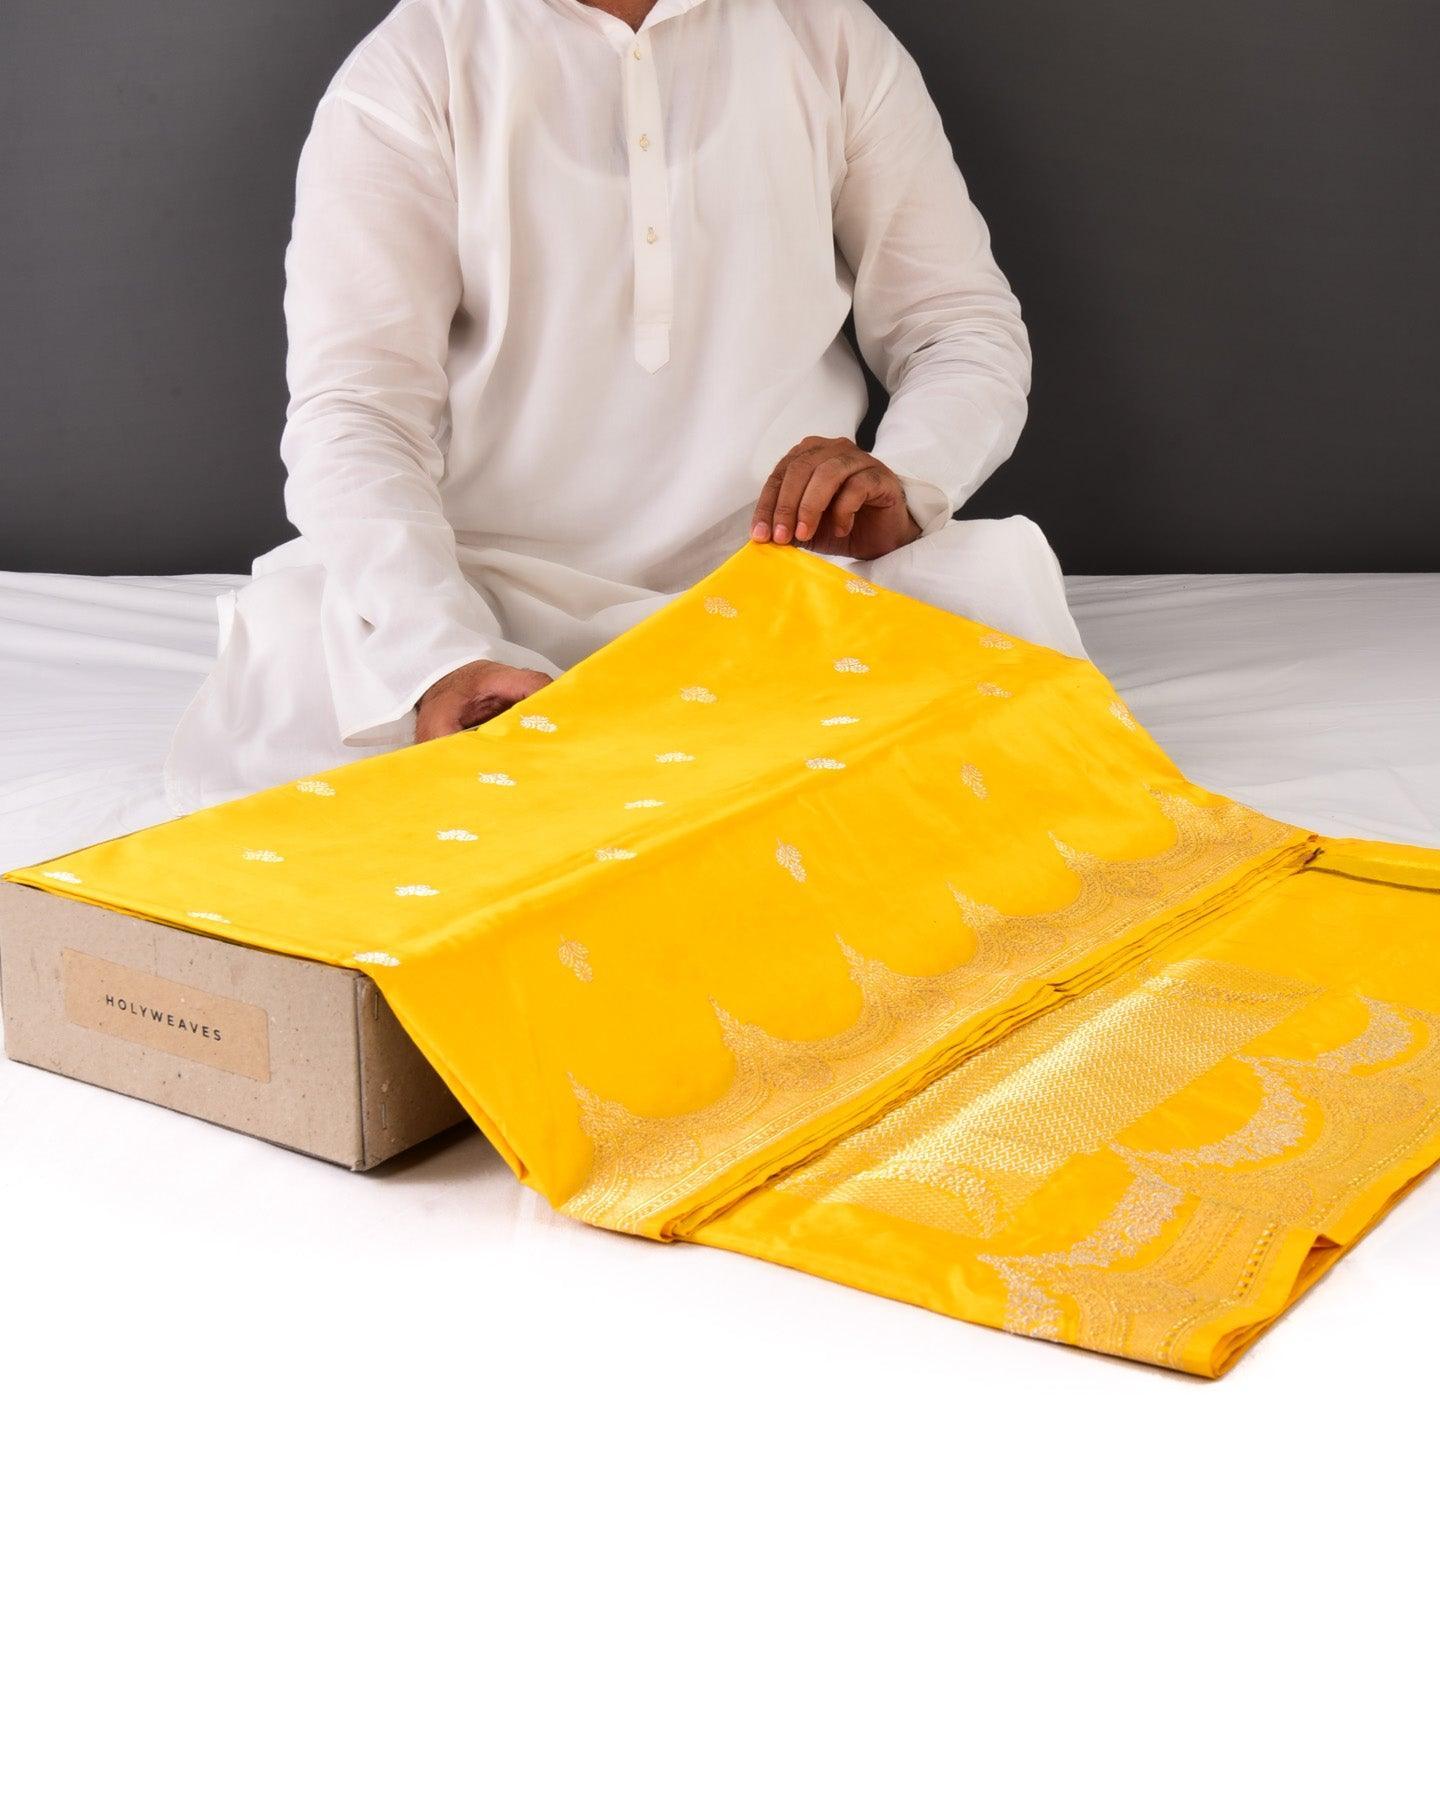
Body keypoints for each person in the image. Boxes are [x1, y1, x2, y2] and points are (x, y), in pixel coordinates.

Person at [165, 0, 1085, 811]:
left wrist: (904, 482)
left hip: (792, 590)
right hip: (489, 603)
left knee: (994, 754)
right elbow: (354, 409)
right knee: (316, 700)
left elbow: (959, 327)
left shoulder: (828, 32)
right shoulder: (418, 60)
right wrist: (442, 652)